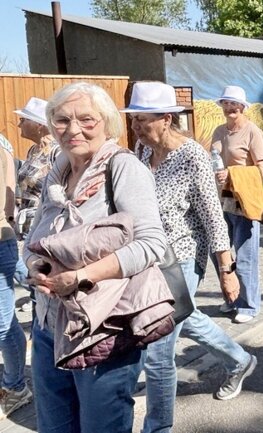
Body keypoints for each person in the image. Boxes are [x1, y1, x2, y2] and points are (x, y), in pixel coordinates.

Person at [24, 82, 168, 432]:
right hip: (47, 325)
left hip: (102, 326)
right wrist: (35, 266)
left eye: (86, 119)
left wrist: (80, 277)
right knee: (54, 427)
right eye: (62, 120)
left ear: (107, 122)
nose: (73, 129)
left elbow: (151, 244)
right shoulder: (57, 174)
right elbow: (33, 239)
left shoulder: (122, 167)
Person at [124, 82, 258, 432]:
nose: (135, 127)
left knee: (158, 352)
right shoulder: (141, 150)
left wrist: (227, 270)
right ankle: (240, 361)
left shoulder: (192, 156)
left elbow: (213, 217)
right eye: (133, 119)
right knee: (188, 315)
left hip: (183, 256)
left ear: (166, 119)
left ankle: (157, 427)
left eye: (142, 120)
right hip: (150, 257)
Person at [211, 85, 263, 324]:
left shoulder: (253, 131)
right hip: (220, 201)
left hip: (244, 203)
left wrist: (232, 174)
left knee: (245, 257)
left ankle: (249, 305)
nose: (230, 108)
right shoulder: (218, 131)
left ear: (243, 107)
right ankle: (232, 297)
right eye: (226, 103)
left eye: (234, 104)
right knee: (220, 254)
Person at [0, 133, 30, 421]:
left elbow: (7, 196)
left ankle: (16, 387)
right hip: (6, 236)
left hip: (1, 239)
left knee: (3, 323)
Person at [13, 97, 61, 237]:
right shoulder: (33, 150)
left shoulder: (57, 151)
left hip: (46, 225)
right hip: (27, 224)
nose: (19, 125)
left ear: (39, 125)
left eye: (23, 120)